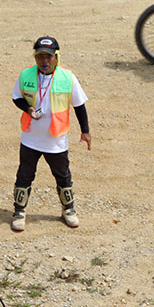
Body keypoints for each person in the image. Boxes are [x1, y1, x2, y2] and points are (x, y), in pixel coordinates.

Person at [10, 35, 91, 232]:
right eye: (40, 57)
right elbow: (17, 97)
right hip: (31, 137)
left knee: (63, 176)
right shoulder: (26, 75)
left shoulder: (68, 77)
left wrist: (85, 131)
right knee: (24, 175)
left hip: (56, 139)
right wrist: (27, 109)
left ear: (56, 57)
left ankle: (68, 210)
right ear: (35, 57)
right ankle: (19, 212)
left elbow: (79, 106)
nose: (44, 61)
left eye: (48, 57)